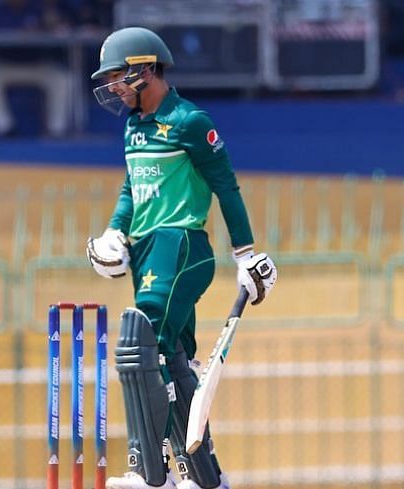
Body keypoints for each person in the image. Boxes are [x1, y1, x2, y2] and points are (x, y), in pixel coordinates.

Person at [86, 26, 277, 489]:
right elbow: (133, 186)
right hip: (147, 247)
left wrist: (245, 254)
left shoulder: (190, 121)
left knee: (139, 343)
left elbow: (225, 185)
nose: (111, 87)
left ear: (144, 69)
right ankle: (200, 474)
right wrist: (116, 229)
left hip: (181, 243)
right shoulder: (134, 126)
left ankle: (148, 473)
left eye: (116, 76)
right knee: (173, 358)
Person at [0, 0, 73, 137]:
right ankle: (3, 128)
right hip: (5, 64)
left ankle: (56, 129)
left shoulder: (39, 8)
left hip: (37, 64)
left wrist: (51, 22)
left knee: (62, 79)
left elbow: (58, 29)